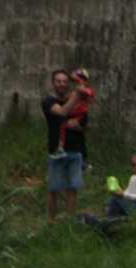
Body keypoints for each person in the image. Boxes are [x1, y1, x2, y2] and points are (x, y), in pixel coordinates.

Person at [42, 69, 88, 222]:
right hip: (57, 151)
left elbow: (85, 126)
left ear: (69, 84)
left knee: (72, 189)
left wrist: (77, 126)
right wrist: (77, 94)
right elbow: (62, 112)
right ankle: (50, 222)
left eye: (65, 81)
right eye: (58, 81)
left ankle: (69, 223)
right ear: (53, 83)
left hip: (76, 150)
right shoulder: (48, 101)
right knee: (53, 189)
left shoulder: (78, 102)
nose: (62, 84)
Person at [55, 67, 96, 157]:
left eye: (81, 80)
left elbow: (90, 96)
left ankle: (61, 147)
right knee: (64, 126)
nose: (78, 82)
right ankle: (60, 147)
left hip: (81, 115)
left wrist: (79, 85)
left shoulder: (86, 90)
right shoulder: (73, 92)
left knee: (68, 126)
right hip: (74, 114)